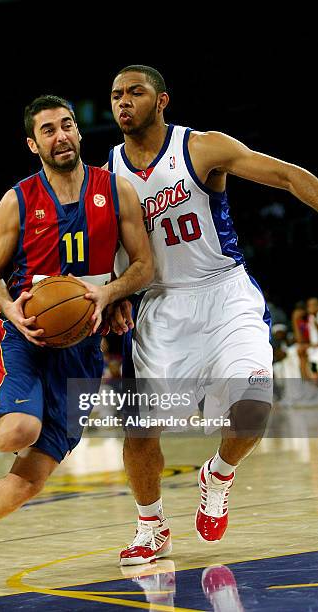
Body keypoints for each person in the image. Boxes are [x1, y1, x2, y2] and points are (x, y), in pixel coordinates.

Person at [0, 94, 153, 592]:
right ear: (32, 143)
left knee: (31, 480)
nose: (60, 136)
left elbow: (143, 266)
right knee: (18, 428)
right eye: (48, 130)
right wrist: (12, 311)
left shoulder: (115, 190)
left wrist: (112, 292)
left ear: (79, 132)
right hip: (27, 333)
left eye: (67, 126)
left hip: (82, 344)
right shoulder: (17, 199)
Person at [106, 65, 318, 565]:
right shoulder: (108, 172)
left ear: (161, 101)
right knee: (138, 431)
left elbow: (287, 176)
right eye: (116, 95)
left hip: (224, 294)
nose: (123, 102)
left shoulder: (201, 147)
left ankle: (218, 473)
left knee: (252, 409)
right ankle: (150, 526)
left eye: (135, 92)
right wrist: (112, 295)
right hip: (159, 305)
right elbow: (108, 244)